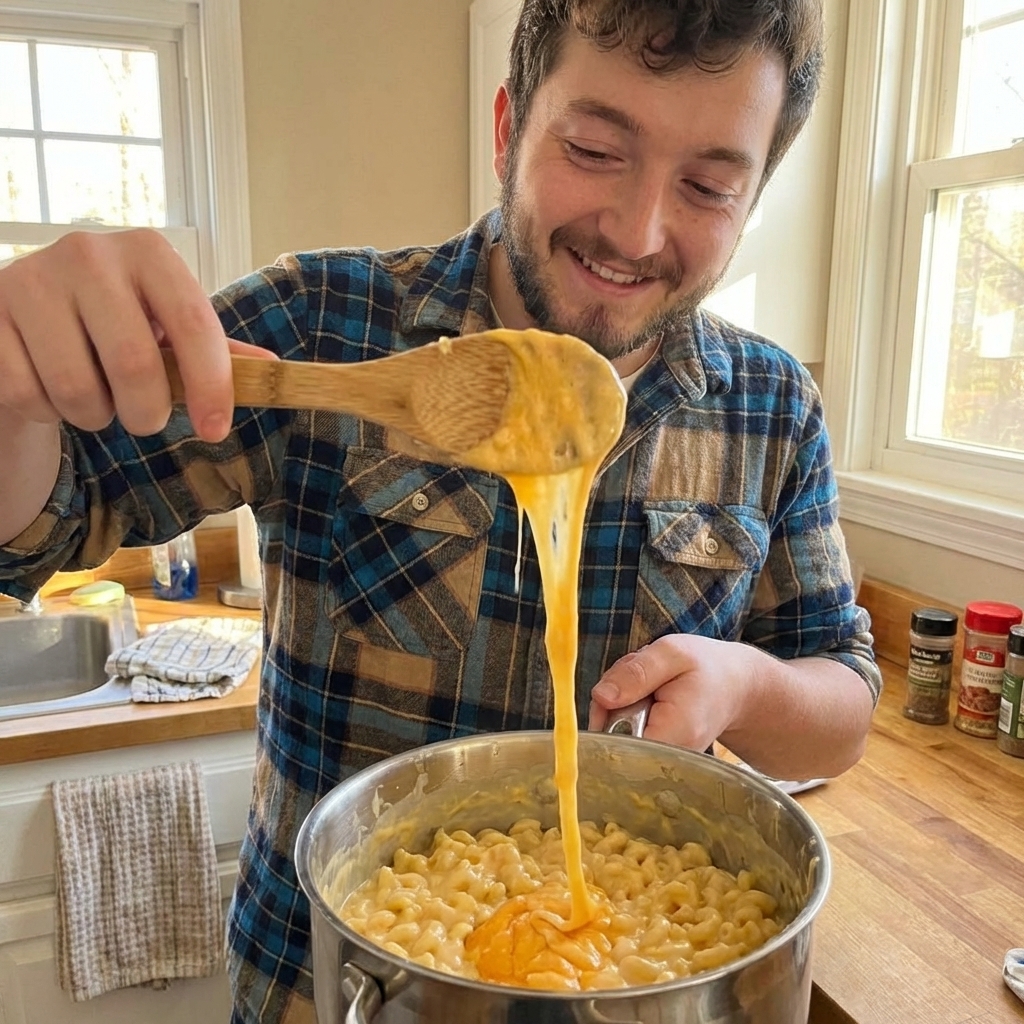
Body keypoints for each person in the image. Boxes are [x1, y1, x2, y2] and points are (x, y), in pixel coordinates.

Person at [0, 1, 880, 1020]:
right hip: (329, 989)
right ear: (508, 130)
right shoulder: (322, 324)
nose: (638, 232)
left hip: (634, 988)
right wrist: (14, 394)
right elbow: (46, 527)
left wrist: (744, 684)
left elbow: (839, 708)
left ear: (752, 198)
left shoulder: (773, 407)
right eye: (595, 150)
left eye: (708, 186)